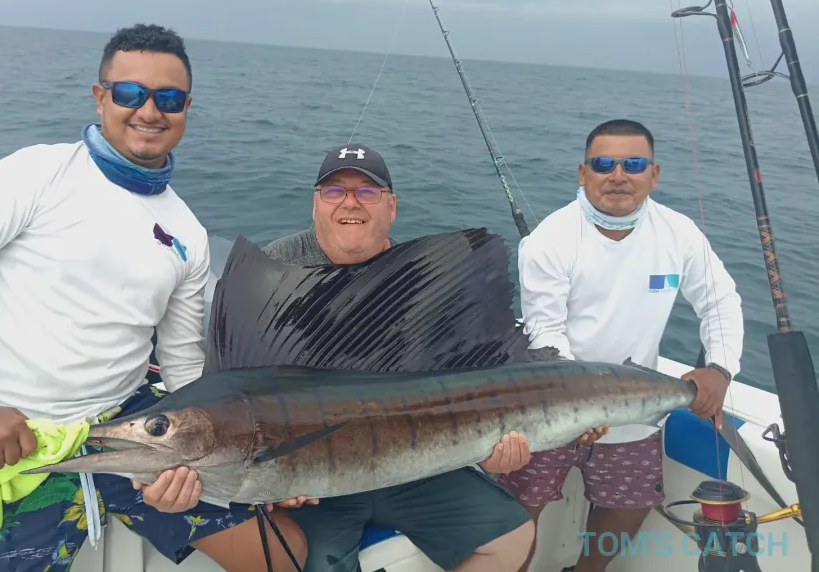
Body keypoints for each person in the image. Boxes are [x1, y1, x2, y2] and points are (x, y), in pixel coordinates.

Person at [0, 24, 307, 572]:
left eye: (168, 98)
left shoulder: (187, 232)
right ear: (101, 97)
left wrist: (228, 465)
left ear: (186, 108)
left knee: (281, 555)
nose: (149, 110)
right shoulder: (36, 174)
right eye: (130, 93)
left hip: (133, 430)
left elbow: (183, 368)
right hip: (8, 432)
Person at [262, 142, 537, 572]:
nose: (350, 202)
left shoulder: (425, 278)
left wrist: (488, 447)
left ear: (391, 207)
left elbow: (469, 375)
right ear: (315, 205)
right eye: (334, 191)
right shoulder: (276, 267)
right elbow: (246, 385)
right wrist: (269, 475)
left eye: (367, 192)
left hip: (412, 461)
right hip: (313, 472)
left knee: (513, 538)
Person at [499, 118, 744, 572]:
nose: (618, 175)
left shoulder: (679, 233)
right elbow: (545, 332)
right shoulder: (549, 240)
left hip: (634, 406)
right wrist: (580, 409)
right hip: (550, 402)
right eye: (603, 164)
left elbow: (720, 300)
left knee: (628, 507)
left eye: (633, 164)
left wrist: (721, 367)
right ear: (583, 173)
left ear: (654, 173)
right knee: (516, 513)